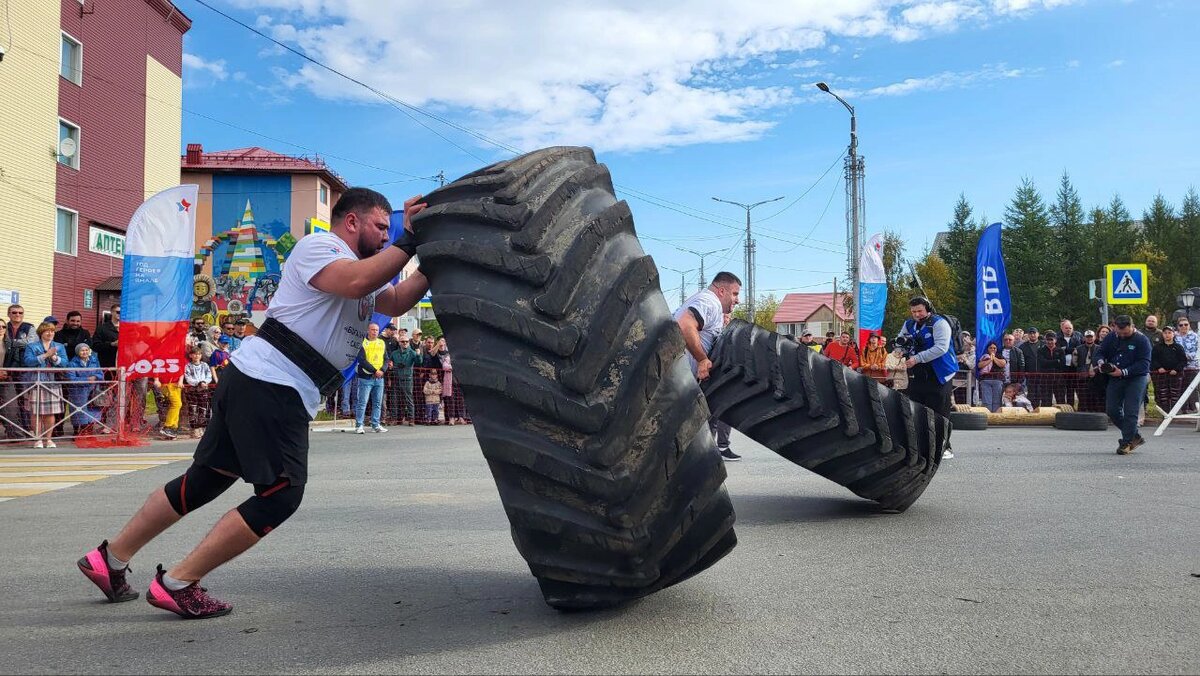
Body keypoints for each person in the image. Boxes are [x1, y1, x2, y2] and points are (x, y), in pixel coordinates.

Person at [76, 188, 429, 618]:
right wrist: (408, 241)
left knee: (204, 481)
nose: (386, 236)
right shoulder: (322, 247)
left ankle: (108, 560)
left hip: (263, 381)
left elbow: (393, 299)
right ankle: (178, 583)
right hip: (275, 384)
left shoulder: (360, 269)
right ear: (351, 221)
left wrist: (431, 265)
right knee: (282, 494)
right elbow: (358, 281)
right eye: (380, 227)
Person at [673, 272, 742, 462]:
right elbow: (684, 325)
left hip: (683, 381)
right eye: (735, 294)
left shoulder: (707, 303)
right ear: (721, 290)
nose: (737, 300)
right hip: (678, 382)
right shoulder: (709, 301)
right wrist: (702, 359)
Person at [894, 297, 958, 458]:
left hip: (940, 373)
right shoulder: (909, 324)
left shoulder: (939, 323)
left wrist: (917, 358)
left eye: (920, 311)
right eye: (913, 311)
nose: (916, 314)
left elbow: (941, 348)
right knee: (917, 409)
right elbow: (901, 339)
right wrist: (900, 349)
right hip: (919, 373)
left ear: (928, 309)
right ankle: (921, 446)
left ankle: (945, 447)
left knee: (940, 411)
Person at [1095, 315, 1151, 454]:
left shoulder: (1142, 340)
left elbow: (1144, 364)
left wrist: (1123, 372)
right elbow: (1100, 352)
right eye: (1119, 333)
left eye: (1125, 333)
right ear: (1114, 327)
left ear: (1132, 326)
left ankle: (1126, 443)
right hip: (1115, 377)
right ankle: (1134, 435)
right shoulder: (1111, 337)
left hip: (1136, 378)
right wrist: (1101, 363)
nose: (1122, 335)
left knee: (1131, 411)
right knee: (1112, 410)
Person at [24, 322, 68, 448]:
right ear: (41, 333)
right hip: (36, 382)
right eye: (47, 331)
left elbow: (65, 363)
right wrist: (45, 356)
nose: (50, 333)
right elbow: (28, 361)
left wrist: (54, 358)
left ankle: (48, 439)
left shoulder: (59, 346)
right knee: (36, 413)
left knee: (50, 412)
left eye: (52, 331)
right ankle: (37, 439)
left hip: (52, 382)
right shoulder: (32, 346)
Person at [2, 304, 36, 438]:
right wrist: (19, 342)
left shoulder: (29, 327)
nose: (17, 315)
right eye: (14, 312)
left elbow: (31, 342)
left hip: (24, 369)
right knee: (9, 403)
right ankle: (12, 431)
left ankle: (27, 429)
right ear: (8, 314)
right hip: (6, 368)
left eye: (20, 313)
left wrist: (10, 342)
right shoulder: (5, 326)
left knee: (25, 401)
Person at [354, 322, 387, 434]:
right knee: (362, 402)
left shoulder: (382, 343)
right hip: (366, 377)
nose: (375, 332)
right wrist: (375, 371)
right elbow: (361, 360)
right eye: (372, 329)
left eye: (377, 330)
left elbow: (386, 359)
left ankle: (375, 424)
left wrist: (382, 370)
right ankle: (359, 425)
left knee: (378, 403)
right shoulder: (362, 343)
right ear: (368, 330)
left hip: (379, 378)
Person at [66, 343, 105, 435]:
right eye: (82, 350)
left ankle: (88, 430)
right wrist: (87, 379)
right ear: (78, 352)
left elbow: (101, 374)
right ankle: (77, 432)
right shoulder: (72, 364)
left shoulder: (94, 361)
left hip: (92, 390)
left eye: (86, 350)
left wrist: (95, 377)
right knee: (78, 411)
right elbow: (72, 379)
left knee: (93, 410)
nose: (85, 352)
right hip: (78, 391)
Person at [1150, 325, 1187, 414]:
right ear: (1162, 334)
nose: (1167, 335)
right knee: (1162, 394)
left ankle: (1174, 413)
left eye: (1169, 333)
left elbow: (1183, 361)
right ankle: (1164, 413)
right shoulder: (1157, 347)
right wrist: (1159, 367)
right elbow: (1153, 359)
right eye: (1165, 333)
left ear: (1173, 334)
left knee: (1175, 394)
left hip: (1175, 374)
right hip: (1161, 374)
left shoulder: (1178, 347)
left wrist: (1176, 369)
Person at [182, 347, 215, 439]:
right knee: (193, 409)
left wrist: (204, 382)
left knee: (203, 409)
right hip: (192, 391)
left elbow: (209, 375)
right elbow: (188, 378)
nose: (197, 356)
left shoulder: (204, 365)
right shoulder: (188, 366)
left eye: (199, 354)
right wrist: (197, 383)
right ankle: (195, 428)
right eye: (195, 354)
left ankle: (202, 427)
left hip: (204, 389)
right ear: (190, 355)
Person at [388, 334, 420, 426]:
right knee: (394, 399)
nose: (405, 343)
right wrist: (391, 366)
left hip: (407, 379)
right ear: (399, 343)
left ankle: (411, 419)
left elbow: (419, 362)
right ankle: (394, 419)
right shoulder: (394, 353)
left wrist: (418, 355)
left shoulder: (412, 352)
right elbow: (389, 363)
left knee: (409, 399)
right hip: (396, 378)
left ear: (408, 342)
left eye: (406, 341)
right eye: (403, 341)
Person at [1074, 329, 1105, 413]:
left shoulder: (1100, 348)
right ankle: (1083, 414)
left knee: (1096, 397)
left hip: (1097, 377)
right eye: (1087, 337)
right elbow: (1075, 362)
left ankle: (1098, 414)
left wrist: (1095, 370)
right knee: (1083, 397)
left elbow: (1102, 361)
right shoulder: (1078, 348)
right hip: (1082, 377)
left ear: (1094, 337)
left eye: (1091, 337)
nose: (1089, 339)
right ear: (1084, 338)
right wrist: (1083, 370)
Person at [1037, 331, 1068, 407]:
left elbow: (1062, 364)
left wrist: (1049, 362)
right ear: (1045, 340)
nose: (1050, 342)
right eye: (1048, 340)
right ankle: (1045, 417)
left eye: (1051, 339)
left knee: (1060, 400)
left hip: (1059, 379)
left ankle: (1062, 416)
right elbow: (1042, 363)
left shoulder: (1060, 350)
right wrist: (1056, 361)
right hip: (1045, 379)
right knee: (1046, 400)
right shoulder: (1041, 350)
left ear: (1055, 340)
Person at [976, 341, 1006, 412]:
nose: (993, 349)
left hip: (997, 380)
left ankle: (995, 416)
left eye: (994, 348)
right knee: (987, 400)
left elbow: (1002, 364)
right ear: (988, 349)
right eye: (991, 348)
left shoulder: (1000, 356)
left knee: (997, 400)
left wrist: (994, 358)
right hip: (985, 380)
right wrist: (990, 360)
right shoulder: (984, 356)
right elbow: (979, 365)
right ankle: (988, 415)